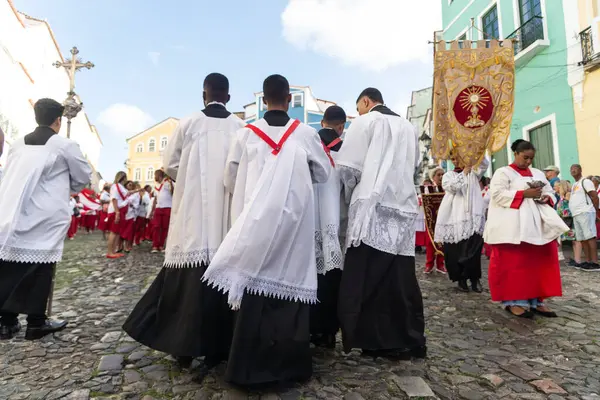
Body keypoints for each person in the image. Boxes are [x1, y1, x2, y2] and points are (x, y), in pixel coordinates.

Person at [202, 74, 331, 386]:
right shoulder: (304, 134)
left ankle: (246, 366)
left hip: (252, 220)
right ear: (288, 100)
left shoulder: (246, 134)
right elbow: (323, 173)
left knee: (252, 284)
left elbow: (229, 178)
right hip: (293, 224)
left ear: (263, 100)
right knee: (289, 281)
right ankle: (290, 366)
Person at [124, 73, 245, 370]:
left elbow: (169, 164)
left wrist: (191, 178)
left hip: (192, 210)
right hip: (227, 212)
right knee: (222, 270)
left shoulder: (188, 122)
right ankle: (219, 348)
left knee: (188, 275)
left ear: (203, 95)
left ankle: (183, 348)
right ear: (228, 97)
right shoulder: (241, 127)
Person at [335, 88, 426, 360]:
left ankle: (373, 339)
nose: (360, 112)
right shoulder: (409, 127)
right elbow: (416, 167)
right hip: (403, 205)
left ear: (365, 102)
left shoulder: (365, 122)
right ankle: (406, 337)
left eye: (360, 107)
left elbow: (349, 169)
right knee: (399, 276)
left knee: (367, 275)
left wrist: (349, 196)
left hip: (372, 208)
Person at [0, 98, 91, 340]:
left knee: (9, 266)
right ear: (58, 120)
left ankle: (6, 323)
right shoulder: (65, 145)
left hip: (13, 211)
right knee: (40, 268)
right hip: (45, 215)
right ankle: (36, 323)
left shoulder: (17, 144)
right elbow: (82, 178)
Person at [485, 140, 566, 318]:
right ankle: (514, 301)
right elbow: (497, 195)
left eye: (531, 158)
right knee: (515, 264)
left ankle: (537, 300)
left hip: (537, 225)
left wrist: (545, 197)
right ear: (515, 153)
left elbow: (550, 192)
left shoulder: (537, 173)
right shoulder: (503, 172)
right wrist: (523, 194)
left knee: (538, 263)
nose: (528, 161)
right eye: (525, 157)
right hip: (512, 226)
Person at [310, 105, 346, 349]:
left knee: (309, 276)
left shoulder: (306, 143)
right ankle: (329, 332)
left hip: (309, 223)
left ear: (322, 122)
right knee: (332, 279)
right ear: (341, 127)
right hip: (334, 225)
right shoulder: (345, 151)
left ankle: (307, 327)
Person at [435, 150, 488, 293]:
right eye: (453, 158)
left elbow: (484, 164)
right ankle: (461, 280)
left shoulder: (474, 173)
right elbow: (453, 187)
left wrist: (477, 148)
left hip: (473, 217)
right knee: (455, 250)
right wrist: (464, 171)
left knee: (474, 250)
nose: (456, 160)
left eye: (459, 156)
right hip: (454, 217)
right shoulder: (448, 175)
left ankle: (475, 279)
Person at [569, 164, 600, 270]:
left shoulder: (585, 181)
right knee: (582, 239)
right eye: (571, 169)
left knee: (590, 237)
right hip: (577, 214)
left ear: (580, 170)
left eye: (575, 168)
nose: (572, 170)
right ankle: (587, 261)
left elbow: (594, 196)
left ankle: (595, 262)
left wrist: (595, 211)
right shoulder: (574, 184)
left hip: (586, 212)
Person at [423, 167, 446, 273]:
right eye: (439, 175)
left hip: (443, 220)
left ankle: (440, 264)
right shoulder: (428, 189)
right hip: (430, 220)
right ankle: (429, 264)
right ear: (433, 177)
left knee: (442, 242)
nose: (441, 177)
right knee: (430, 243)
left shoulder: (447, 188)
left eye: (442, 174)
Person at [555, 180, 580, 264]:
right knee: (569, 240)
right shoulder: (560, 196)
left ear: (561, 186)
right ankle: (571, 258)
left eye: (556, 186)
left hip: (569, 220)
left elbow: (570, 207)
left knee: (575, 240)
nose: (554, 188)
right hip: (563, 220)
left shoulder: (568, 194)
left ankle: (577, 260)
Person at [106, 171, 129, 259]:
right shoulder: (116, 186)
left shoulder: (119, 186)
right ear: (123, 178)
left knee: (116, 232)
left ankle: (113, 251)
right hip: (116, 211)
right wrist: (117, 212)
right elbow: (114, 199)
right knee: (114, 232)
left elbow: (126, 194)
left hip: (117, 210)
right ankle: (110, 252)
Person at [149, 170, 173, 253]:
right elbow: (155, 199)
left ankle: (161, 246)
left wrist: (170, 183)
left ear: (159, 175)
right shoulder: (156, 186)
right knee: (156, 227)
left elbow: (173, 193)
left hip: (168, 207)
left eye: (155, 175)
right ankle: (155, 245)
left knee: (165, 228)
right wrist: (152, 211)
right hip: (158, 208)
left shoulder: (168, 183)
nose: (154, 176)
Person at [121, 181, 140, 252]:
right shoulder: (123, 193)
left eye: (131, 185)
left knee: (129, 231)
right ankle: (120, 246)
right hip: (123, 214)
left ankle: (127, 246)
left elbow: (136, 204)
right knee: (122, 231)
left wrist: (132, 205)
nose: (130, 186)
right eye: (129, 185)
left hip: (131, 214)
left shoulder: (136, 194)